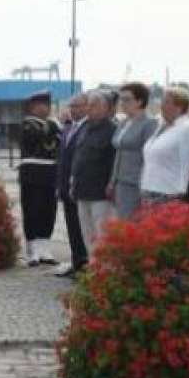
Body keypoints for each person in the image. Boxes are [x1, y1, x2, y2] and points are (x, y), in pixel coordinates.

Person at [71, 91, 116, 256]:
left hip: (100, 193)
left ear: (106, 108)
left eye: (94, 105)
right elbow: (79, 156)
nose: (89, 109)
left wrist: (111, 183)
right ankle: (94, 268)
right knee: (87, 234)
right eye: (88, 105)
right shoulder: (85, 128)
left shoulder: (112, 131)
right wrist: (73, 181)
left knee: (102, 234)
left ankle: (103, 272)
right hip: (82, 190)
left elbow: (114, 162)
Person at [19, 90, 60, 267]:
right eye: (44, 105)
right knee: (32, 211)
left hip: (50, 173)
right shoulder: (28, 124)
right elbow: (37, 136)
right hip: (32, 173)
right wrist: (54, 125)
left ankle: (45, 248)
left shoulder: (52, 124)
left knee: (48, 211)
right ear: (34, 107)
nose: (48, 109)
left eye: (48, 105)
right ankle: (32, 250)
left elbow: (60, 141)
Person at [108, 83, 158, 219]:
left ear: (140, 101)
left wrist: (143, 187)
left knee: (130, 225)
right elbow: (118, 152)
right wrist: (112, 181)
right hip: (119, 182)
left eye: (127, 99)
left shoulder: (149, 124)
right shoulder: (123, 123)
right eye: (121, 99)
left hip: (135, 184)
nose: (122, 103)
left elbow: (148, 157)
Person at [140, 86, 189, 205]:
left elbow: (187, 162)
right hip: (150, 189)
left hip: (170, 192)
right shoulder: (162, 126)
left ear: (179, 106)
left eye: (166, 102)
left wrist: (182, 190)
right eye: (162, 101)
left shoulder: (187, 128)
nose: (162, 105)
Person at [54, 93, 89, 278]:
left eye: (77, 106)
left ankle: (85, 264)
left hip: (81, 187)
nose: (72, 109)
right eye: (71, 106)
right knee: (71, 227)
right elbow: (63, 160)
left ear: (86, 107)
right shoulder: (69, 128)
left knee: (83, 227)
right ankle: (76, 262)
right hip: (66, 187)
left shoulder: (88, 128)